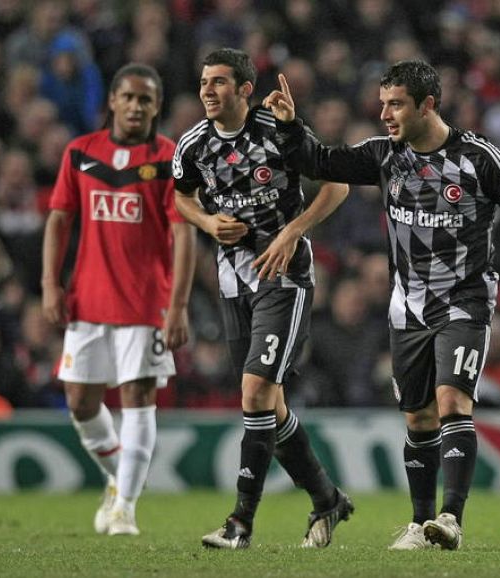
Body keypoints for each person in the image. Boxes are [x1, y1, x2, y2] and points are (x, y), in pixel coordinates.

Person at [264, 60, 500, 550]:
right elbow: (321, 164)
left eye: (396, 104)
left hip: (464, 300)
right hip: (408, 308)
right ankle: (421, 524)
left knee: (451, 403)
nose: (386, 114)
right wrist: (292, 127)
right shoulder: (383, 155)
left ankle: (451, 518)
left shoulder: (479, 158)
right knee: (418, 419)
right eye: (382, 104)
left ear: (428, 105)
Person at [172, 48, 352, 550]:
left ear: (245, 89)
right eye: (204, 82)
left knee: (254, 393)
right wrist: (207, 222)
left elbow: (336, 184)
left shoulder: (278, 130)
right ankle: (327, 499)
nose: (208, 91)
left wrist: (293, 231)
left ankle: (240, 524)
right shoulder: (193, 144)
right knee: (267, 405)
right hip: (233, 283)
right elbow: (180, 194)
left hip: (284, 277)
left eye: (220, 82)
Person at [41, 63, 196, 536]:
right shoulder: (81, 153)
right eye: (128, 97)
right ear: (112, 100)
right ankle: (118, 479)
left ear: (157, 107)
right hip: (88, 299)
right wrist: (50, 283)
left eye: (146, 99)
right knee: (81, 402)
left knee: (138, 397)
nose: (136, 106)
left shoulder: (170, 159)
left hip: (147, 301)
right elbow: (58, 220)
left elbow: (184, 233)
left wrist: (180, 305)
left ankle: (125, 507)